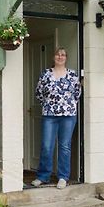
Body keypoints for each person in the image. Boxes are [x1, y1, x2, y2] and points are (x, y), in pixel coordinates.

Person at [31, 47, 81, 189]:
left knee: (65, 147)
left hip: (68, 115)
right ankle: (43, 176)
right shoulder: (46, 74)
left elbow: (77, 94)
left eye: (63, 55)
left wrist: (66, 105)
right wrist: (49, 105)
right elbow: (39, 93)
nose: (60, 56)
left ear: (66, 58)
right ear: (54, 57)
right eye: (58, 54)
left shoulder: (72, 75)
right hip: (49, 115)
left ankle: (63, 177)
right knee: (47, 146)